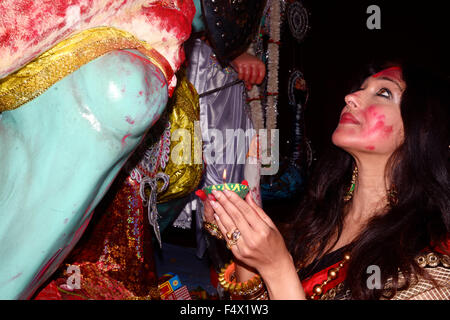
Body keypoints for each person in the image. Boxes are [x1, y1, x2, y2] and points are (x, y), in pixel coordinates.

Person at [200, 61, 450, 300]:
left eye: (384, 93)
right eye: (360, 88)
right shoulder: (320, 218)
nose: (350, 98)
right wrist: (239, 235)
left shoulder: (430, 270)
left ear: (422, 128)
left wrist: (277, 269)